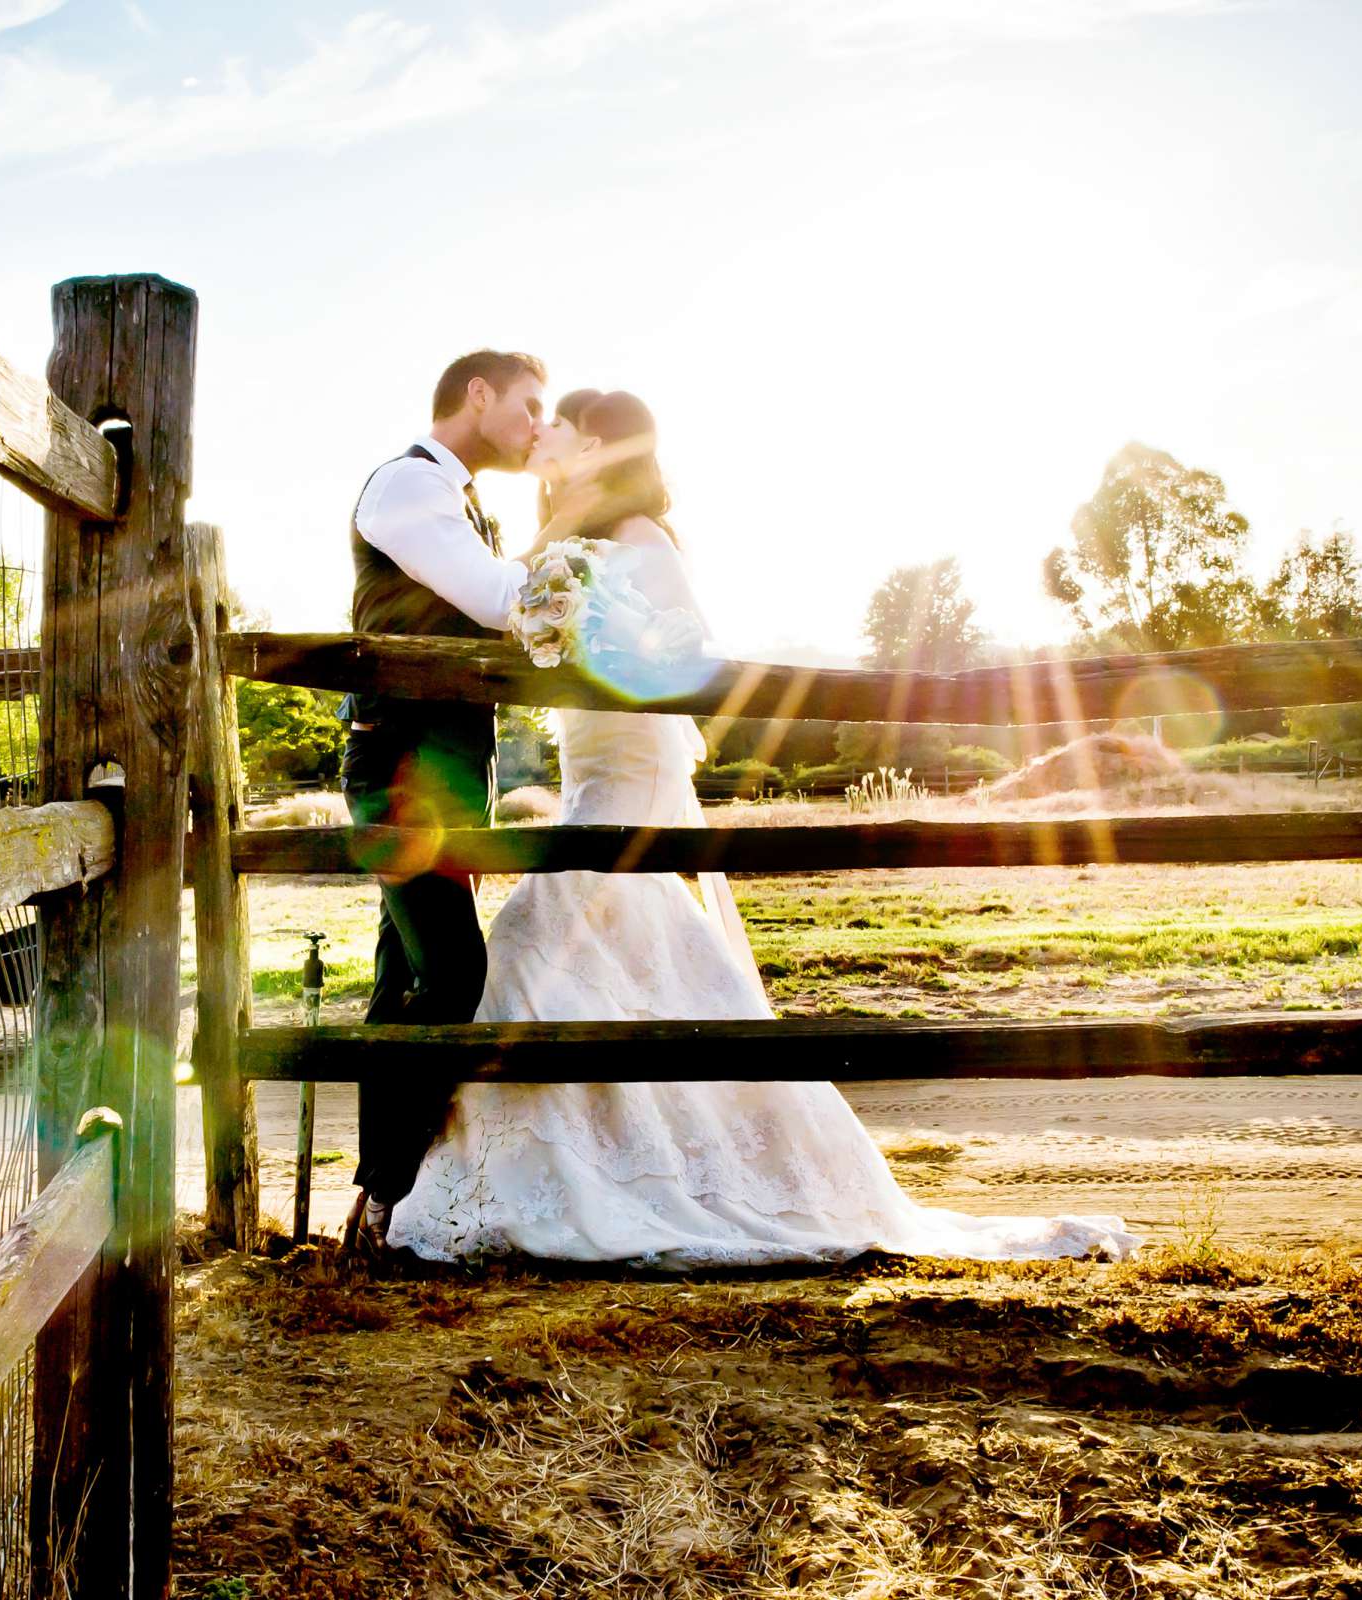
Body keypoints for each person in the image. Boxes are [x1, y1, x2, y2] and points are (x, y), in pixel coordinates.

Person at [386, 389, 1139, 1267]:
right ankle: (584, 1164)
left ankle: (647, 1173)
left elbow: (684, 651)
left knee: (547, 945)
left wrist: (595, 629)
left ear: (591, 446)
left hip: (627, 778)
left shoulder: (639, 540)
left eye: (555, 422)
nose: (539, 430)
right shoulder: (550, 546)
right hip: (583, 775)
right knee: (564, 956)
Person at [339, 349, 548, 1252]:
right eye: (530, 406)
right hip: (398, 765)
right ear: (478, 394)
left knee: (405, 976)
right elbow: (499, 597)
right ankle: (390, 1189)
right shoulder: (405, 487)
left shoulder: (467, 504)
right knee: (454, 973)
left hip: (452, 770)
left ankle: (377, 1210)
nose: (539, 424)